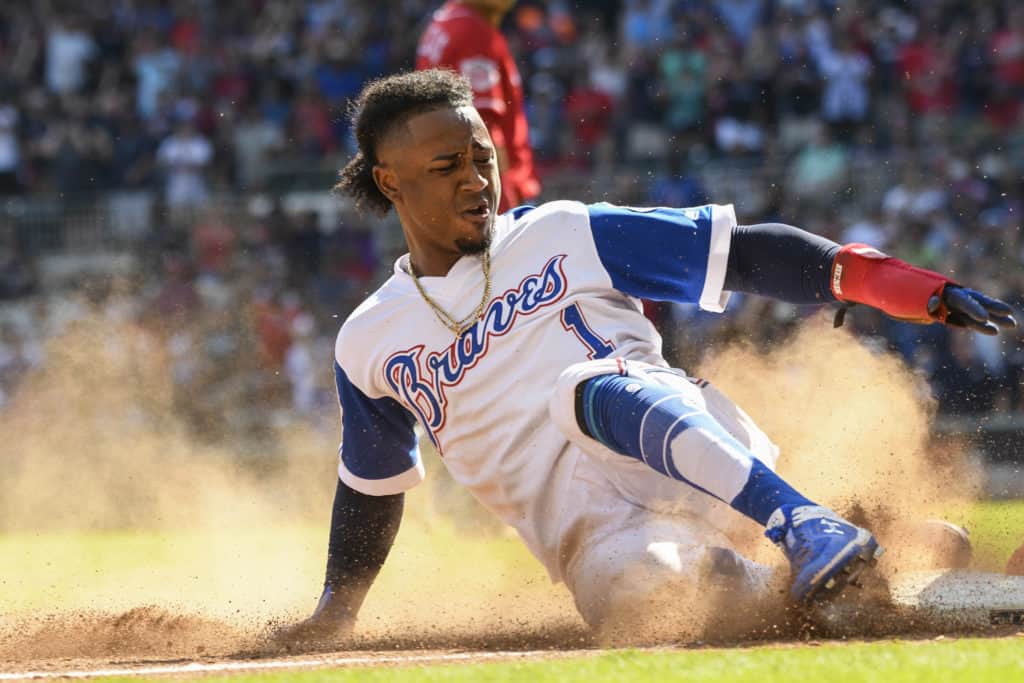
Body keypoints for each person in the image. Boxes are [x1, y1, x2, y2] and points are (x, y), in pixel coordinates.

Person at [278, 70, 1016, 645]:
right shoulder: (369, 339)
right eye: (447, 166)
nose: (476, 179)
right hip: (594, 535)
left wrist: (897, 283)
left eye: (483, 157)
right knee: (655, 598)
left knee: (579, 386)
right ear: (390, 181)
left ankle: (808, 525)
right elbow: (371, 487)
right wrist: (336, 611)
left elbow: (745, 254)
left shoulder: (560, 231)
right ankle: (906, 577)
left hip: (675, 447)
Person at [416, 0, 540, 213]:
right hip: (480, 187)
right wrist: (503, 200)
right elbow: (480, 125)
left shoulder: (445, 19)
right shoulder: (473, 30)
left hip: (449, 181)